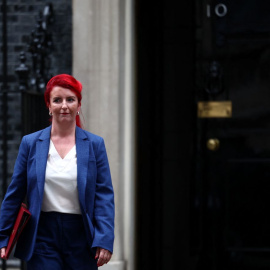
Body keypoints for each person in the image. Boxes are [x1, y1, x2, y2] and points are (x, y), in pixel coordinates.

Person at [0, 74, 115, 269]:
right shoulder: (31, 143)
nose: (64, 105)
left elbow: (103, 195)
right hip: (43, 234)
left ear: (79, 105)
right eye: (57, 100)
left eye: (70, 99)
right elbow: (15, 192)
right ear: (49, 105)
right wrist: (3, 237)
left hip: (81, 235)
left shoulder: (95, 145)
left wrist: (104, 238)